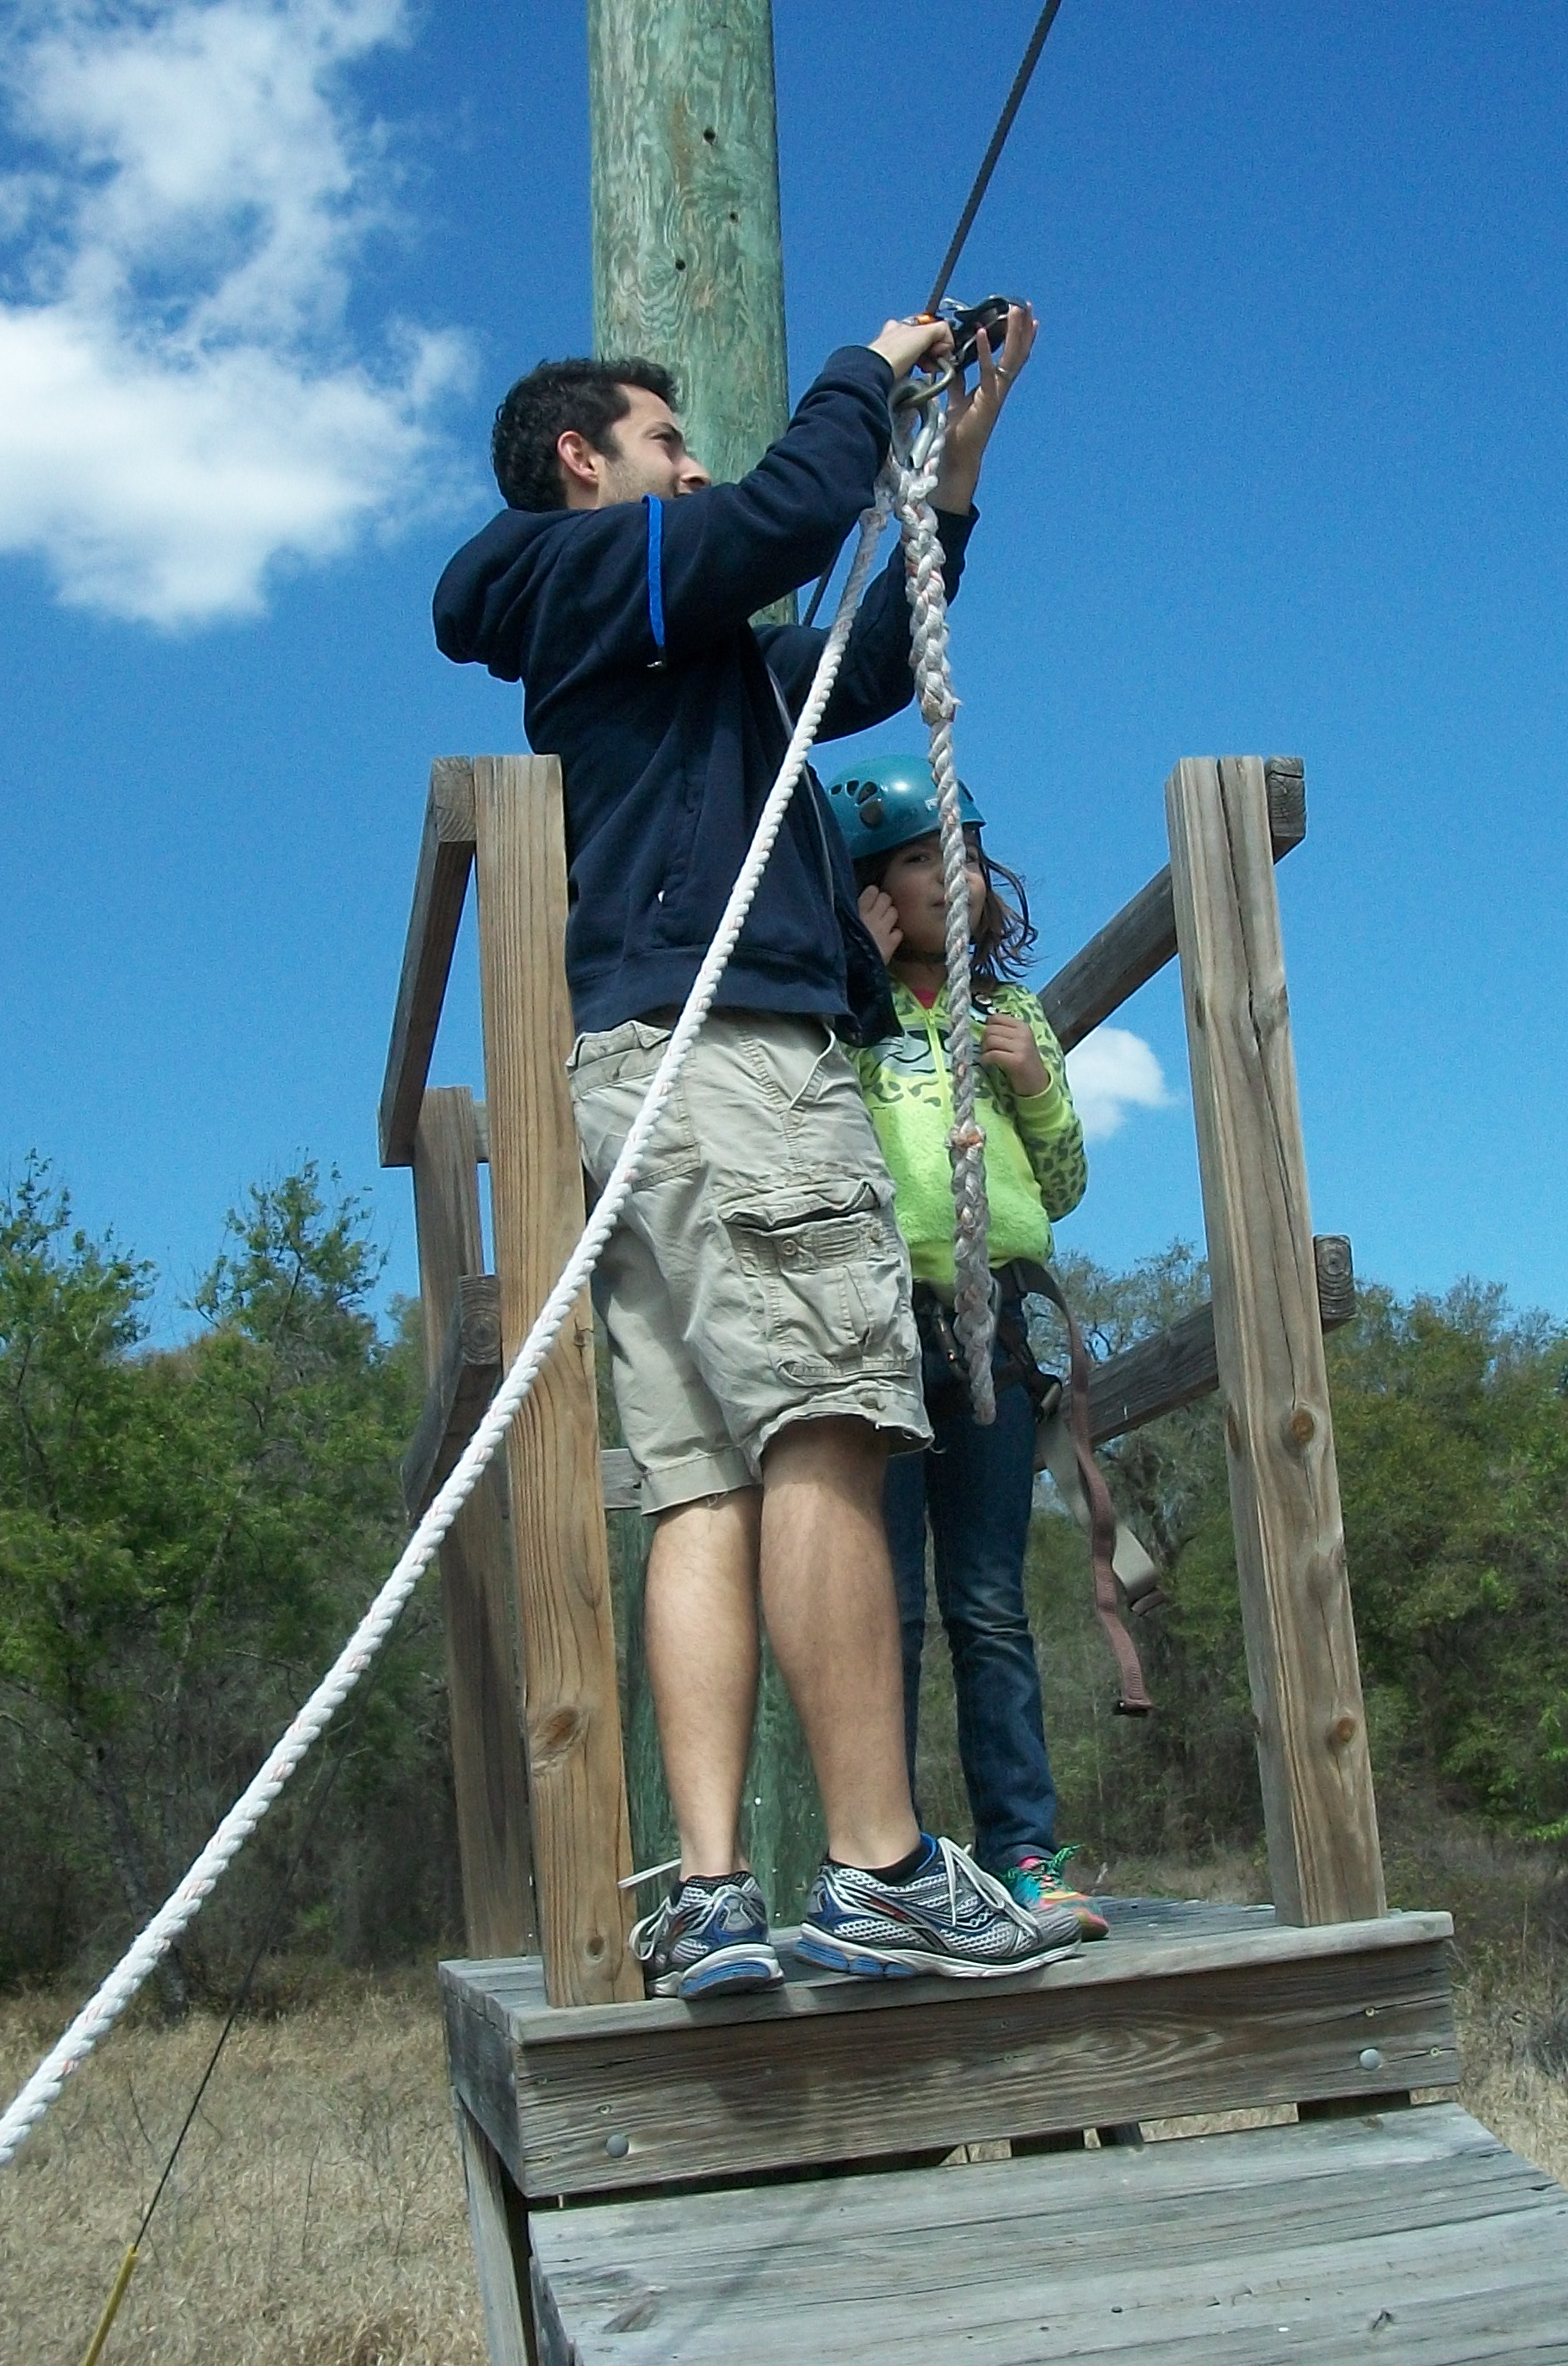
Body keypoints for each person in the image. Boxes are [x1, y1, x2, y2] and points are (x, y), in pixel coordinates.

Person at [432, 305, 1090, 1996]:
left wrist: (953, 447)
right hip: (730, 1061)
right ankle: (877, 1866)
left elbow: (861, 664)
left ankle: (718, 1889)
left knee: (704, 1483)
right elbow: (782, 514)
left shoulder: (691, 653)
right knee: (830, 1416)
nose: (695, 465)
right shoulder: (583, 575)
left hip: (652, 1077)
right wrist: (867, 370)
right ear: (585, 461)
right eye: (667, 442)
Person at [827, 753, 1111, 1942]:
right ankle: (884, 1865)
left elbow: (1067, 1183)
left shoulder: (1011, 1017)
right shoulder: (845, 1016)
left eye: (969, 852)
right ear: (868, 889)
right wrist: (852, 969)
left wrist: (1036, 1086)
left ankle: (1025, 1858)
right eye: (916, 856)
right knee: (880, 1608)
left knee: (990, 1606)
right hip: (878, 1336)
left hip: (990, 1338)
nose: (955, 875)